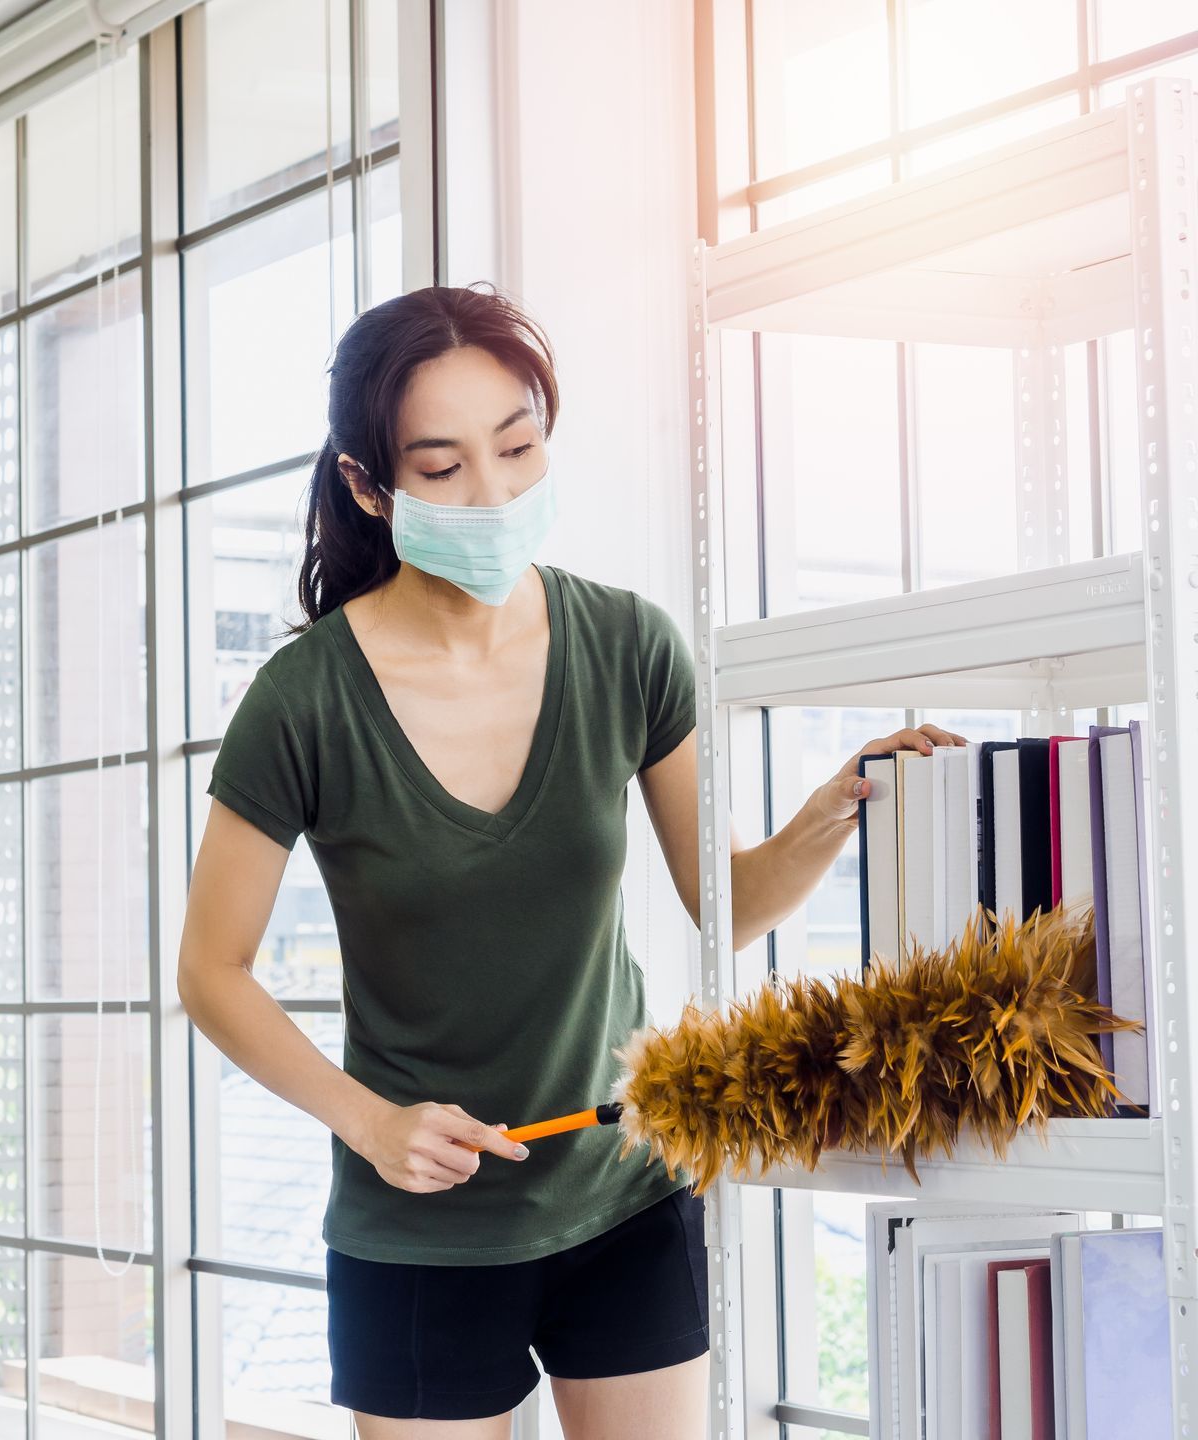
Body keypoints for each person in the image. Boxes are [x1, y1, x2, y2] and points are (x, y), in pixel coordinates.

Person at [175, 283, 963, 1440]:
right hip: (417, 1228)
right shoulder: (304, 702)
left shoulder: (628, 645)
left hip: (624, 1192)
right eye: (440, 470)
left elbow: (720, 905)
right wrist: (369, 1123)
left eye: (517, 446)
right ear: (367, 485)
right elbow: (213, 971)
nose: (490, 494)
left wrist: (830, 811)